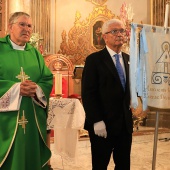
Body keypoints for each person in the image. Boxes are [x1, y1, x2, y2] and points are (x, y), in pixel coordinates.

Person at [0, 12, 53, 170]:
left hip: (32, 116)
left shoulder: (35, 53)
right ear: (10, 27)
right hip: (5, 121)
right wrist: (16, 88)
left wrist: (37, 88)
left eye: (29, 26)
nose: (27, 29)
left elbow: (47, 79)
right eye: (22, 24)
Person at [82, 18, 133, 170]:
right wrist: (96, 120)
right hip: (102, 125)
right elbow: (88, 93)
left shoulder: (129, 59)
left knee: (124, 165)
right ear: (104, 36)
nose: (119, 34)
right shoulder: (94, 60)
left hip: (124, 124)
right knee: (100, 165)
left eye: (122, 31)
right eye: (115, 31)